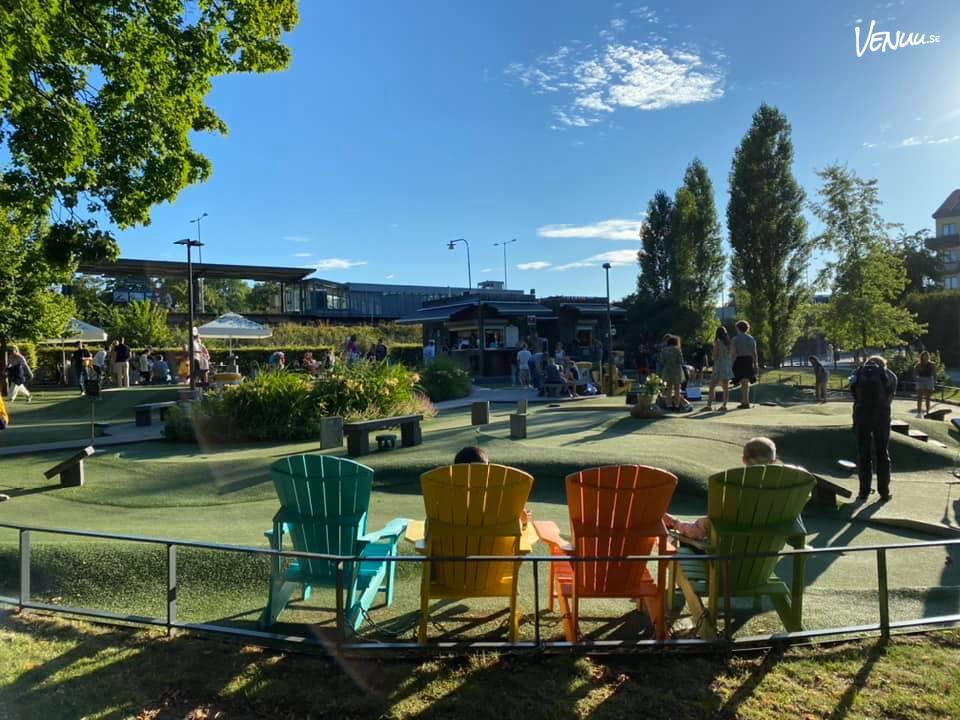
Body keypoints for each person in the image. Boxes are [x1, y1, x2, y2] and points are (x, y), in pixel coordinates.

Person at [664, 437, 779, 540]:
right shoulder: (785, 494)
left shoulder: (735, 490)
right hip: (767, 557)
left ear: (743, 459)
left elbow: (699, 532)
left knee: (680, 543)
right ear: (773, 461)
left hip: (726, 560)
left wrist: (675, 523)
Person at [849, 355, 898, 502]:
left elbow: (854, 395)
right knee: (882, 453)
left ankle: (863, 491)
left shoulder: (858, 373)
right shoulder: (890, 375)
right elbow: (889, 399)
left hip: (862, 416)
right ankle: (884, 492)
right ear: (884, 364)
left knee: (863, 454)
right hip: (881, 416)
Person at [732, 320, 758, 409]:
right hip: (749, 360)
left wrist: (731, 364)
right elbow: (754, 353)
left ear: (738, 328)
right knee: (746, 382)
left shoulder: (735, 339)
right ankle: (745, 401)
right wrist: (755, 364)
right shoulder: (751, 338)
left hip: (740, 360)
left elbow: (733, 353)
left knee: (743, 382)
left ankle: (745, 402)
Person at [706, 327, 733, 412]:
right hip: (727, 365)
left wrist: (712, 355)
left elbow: (715, 355)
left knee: (712, 386)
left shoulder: (718, 342)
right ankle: (724, 405)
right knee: (725, 387)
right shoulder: (729, 343)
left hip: (719, 365)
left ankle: (709, 405)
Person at [659, 335, 685, 411]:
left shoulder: (664, 350)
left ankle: (668, 404)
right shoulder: (677, 349)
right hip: (676, 370)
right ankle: (676, 405)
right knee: (677, 389)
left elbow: (661, 361)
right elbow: (681, 361)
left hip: (667, 370)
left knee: (668, 389)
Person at [915, 351, 936, 417]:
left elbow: (934, 373)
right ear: (922, 357)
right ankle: (919, 412)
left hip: (929, 380)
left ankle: (927, 412)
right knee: (919, 397)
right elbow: (915, 373)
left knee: (928, 398)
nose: (926, 357)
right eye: (924, 356)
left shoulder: (932, 364)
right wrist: (917, 378)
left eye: (927, 356)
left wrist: (934, 381)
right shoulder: (918, 365)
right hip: (920, 380)